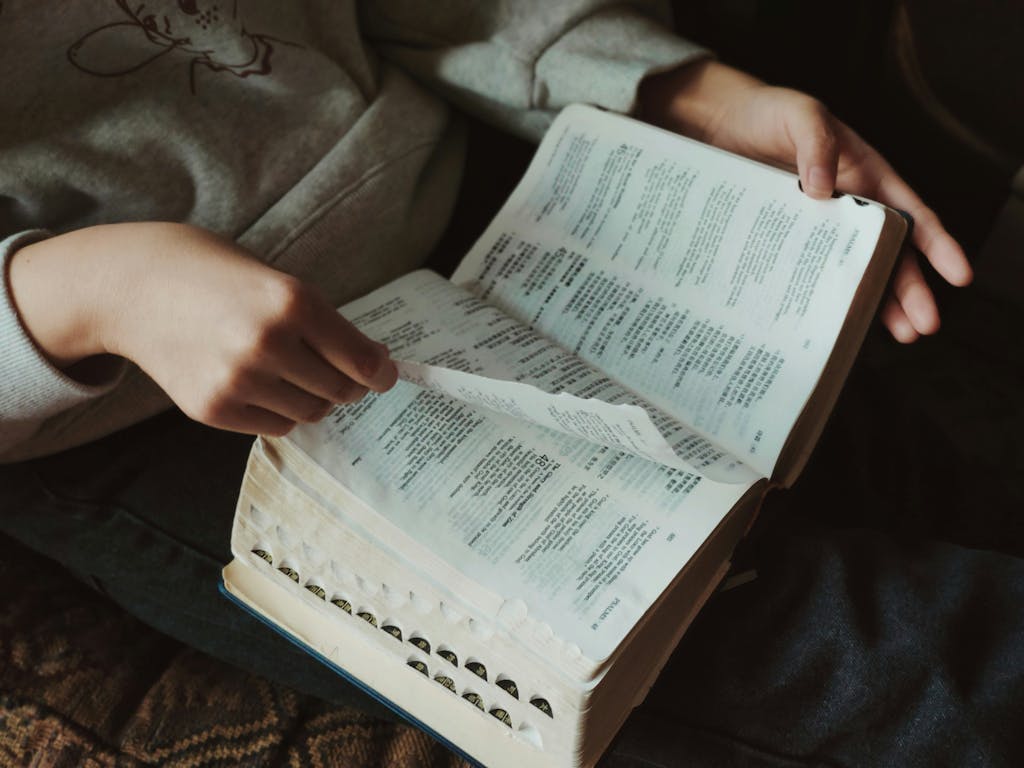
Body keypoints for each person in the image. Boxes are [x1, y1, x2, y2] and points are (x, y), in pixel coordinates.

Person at [4, 2, 1018, 766]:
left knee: (883, 447)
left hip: (460, 177)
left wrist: (683, 93)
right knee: (844, 658)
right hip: (130, 394)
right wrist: (93, 292)